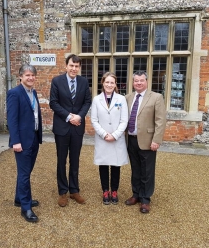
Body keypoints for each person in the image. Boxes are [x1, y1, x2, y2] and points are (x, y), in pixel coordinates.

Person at [49, 54, 92, 207]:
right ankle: (62, 192)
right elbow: (53, 103)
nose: (74, 68)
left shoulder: (83, 81)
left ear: (79, 68)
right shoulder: (56, 81)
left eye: (76, 66)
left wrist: (79, 116)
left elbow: (87, 101)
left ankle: (74, 190)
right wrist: (68, 116)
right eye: (71, 65)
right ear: (66, 66)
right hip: (62, 127)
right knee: (61, 160)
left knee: (75, 160)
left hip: (77, 127)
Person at [125, 71, 166, 213]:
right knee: (135, 170)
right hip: (131, 139)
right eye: (136, 81)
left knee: (147, 171)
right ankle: (136, 194)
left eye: (141, 80)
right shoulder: (128, 97)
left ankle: (145, 199)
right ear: (133, 82)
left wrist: (156, 140)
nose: (139, 83)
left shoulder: (156, 97)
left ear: (147, 81)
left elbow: (160, 121)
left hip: (148, 141)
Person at [7, 64, 42, 222]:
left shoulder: (33, 92)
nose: (30, 78)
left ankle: (19, 199)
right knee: (24, 174)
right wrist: (15, 141)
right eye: (27, 75)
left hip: (33, 137)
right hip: (21, 141)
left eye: (33, 75)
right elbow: (12, 120)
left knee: (25, 173)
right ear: (20, 77)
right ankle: (26, 208)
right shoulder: (14, 93)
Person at [91, 72, 129, 205]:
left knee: (115, 164)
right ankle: (105, 190)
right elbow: (94, 120)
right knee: (103, 164)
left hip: (116, 138)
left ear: (115, 84)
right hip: (102, 138)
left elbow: (124, 120)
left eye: (112, 82)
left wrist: (115, 135)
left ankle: (114, 190)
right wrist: (104, 134)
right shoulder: (96, 99)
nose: (109, 85)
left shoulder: (121, 99)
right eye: (107, 82)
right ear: (103, 83)